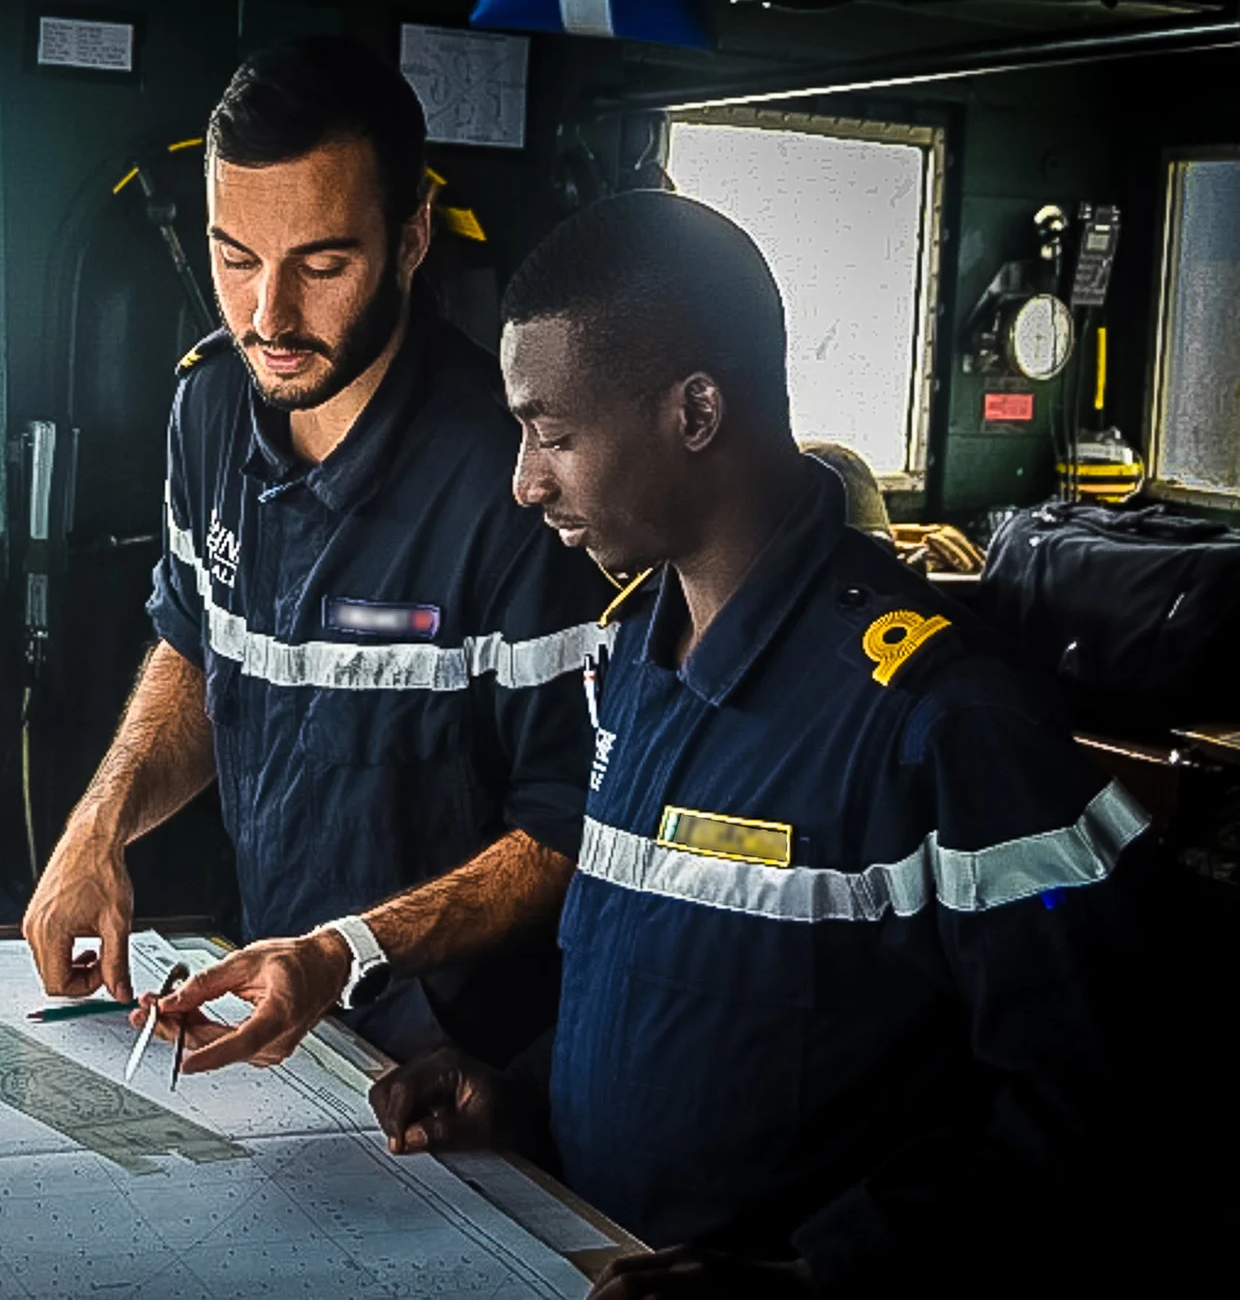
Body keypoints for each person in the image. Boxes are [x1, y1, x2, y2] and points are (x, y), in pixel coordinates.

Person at [367, 191, 1156, 1297]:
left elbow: (1091, 1094)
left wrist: (804, 1276)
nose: (523, 480)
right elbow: (658, 986)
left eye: (551, 433)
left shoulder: (942, 718)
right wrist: (522, 1093)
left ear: (694, 413)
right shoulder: (634, 662)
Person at [21, 36, 613, 1067]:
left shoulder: (516, 471)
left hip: (459, 1069)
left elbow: (578, 825)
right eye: (234, 257)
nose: (266, 315)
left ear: (413, 235)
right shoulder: (205, 405)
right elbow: (198, 649)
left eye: (322, 264)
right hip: (277, 1024)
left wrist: (348, 949)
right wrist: (100, 823)